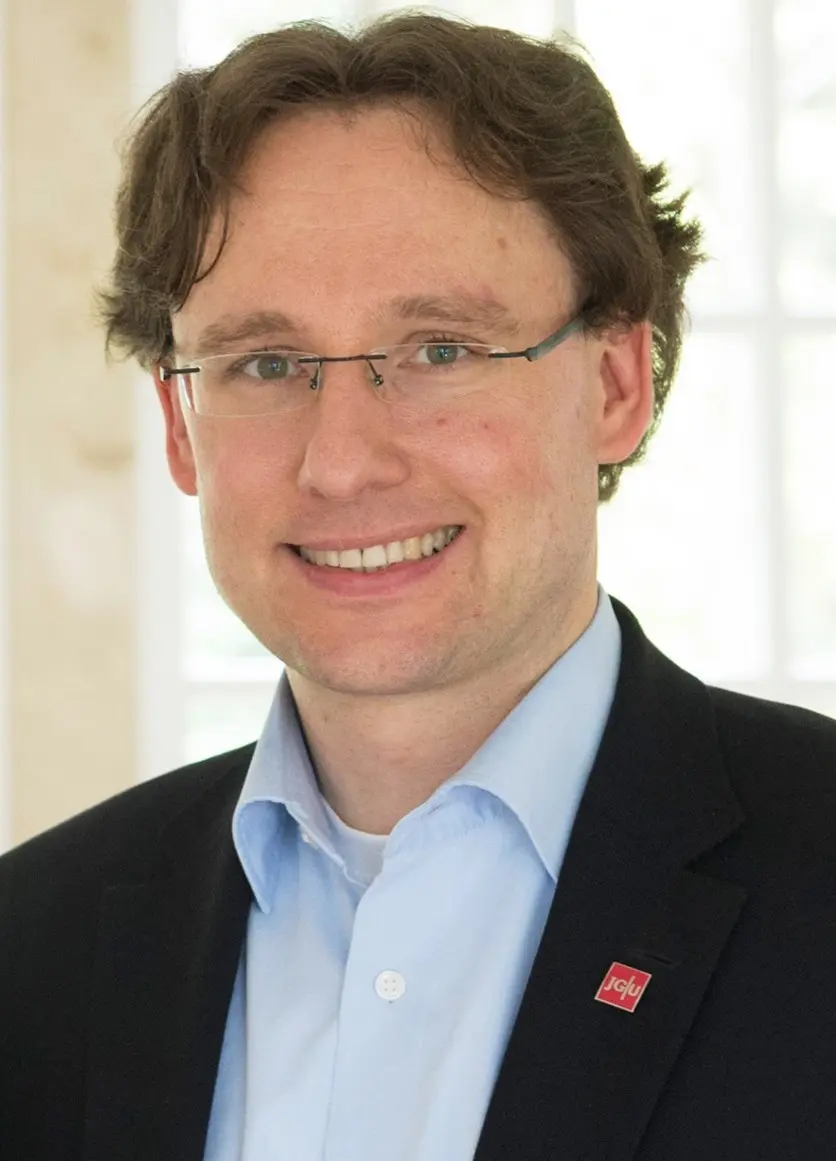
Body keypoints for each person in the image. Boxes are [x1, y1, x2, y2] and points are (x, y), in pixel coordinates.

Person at [1, 12, 835, 1159]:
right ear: (180, 426)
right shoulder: (30, 954)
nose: (342, 462)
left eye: (440, 349)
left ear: (614, 383)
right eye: (266, 364)